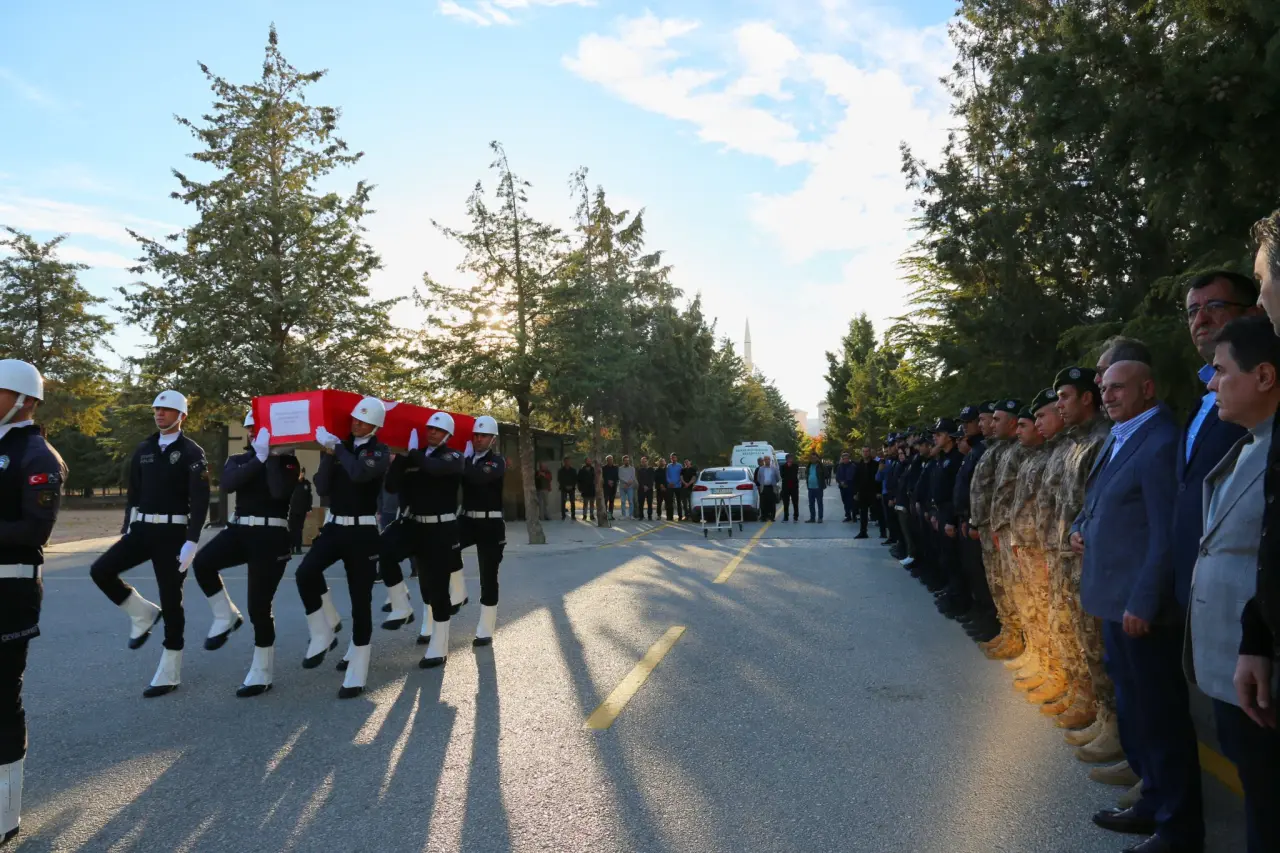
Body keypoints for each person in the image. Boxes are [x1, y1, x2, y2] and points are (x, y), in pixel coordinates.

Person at [1071, 359, 1202, 853]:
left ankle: (1178, 828)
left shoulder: (1161, 439)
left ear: (1147, 388)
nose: (1107, 395)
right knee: (1135, 711)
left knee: (1160, 719)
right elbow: (1098, 500)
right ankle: (1151, 802)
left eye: (1117, 388)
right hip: (1114, 601)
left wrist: (1145, 600)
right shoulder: (1123, 434)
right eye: (1104, 388)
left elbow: (1166, 532)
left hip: (1139, 608)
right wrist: (1079, 527)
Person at [1184, 316, 1280, 852]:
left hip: (1261, 665)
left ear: (1263, 376)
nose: (1211, 384)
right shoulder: (1249, 445)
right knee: (1258, 797)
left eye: (1221, 371)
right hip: (1233, 666)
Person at [90, 390, 210, 698]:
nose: (159, 413)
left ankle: (170, 668)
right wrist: (128, 525)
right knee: (101, 570)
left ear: (182, 416)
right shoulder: (144, 448)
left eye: (166, 410)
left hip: (174, 534)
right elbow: (134, 493)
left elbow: (200, 501)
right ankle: (141, 612)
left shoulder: (192, 452)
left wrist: (192, 541)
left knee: (171, 599)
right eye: (157, 409)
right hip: (142, 530)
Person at [0, 360, 66, 847]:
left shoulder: (38, 455)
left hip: (10, 589)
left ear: (24, 400)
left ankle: (5, 809)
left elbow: (34, 530)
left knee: (2, 698)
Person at [191, 410, 299, 697]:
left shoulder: (288, 461)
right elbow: (228, 485)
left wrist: (271, 457)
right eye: (250, 428)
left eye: (259, 428)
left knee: (259, 607)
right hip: (239, 531)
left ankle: (262, 672)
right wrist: (259, 458)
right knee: (203, 564)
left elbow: (278, 492)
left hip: (271, 537)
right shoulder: (239, 459)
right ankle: (225, 615)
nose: (253, 433)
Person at [294, 397, 391, 698]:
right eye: (355, 419)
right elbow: (322, 487)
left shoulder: (379, 451)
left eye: (364, 421)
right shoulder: (340, 447)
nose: (357, 423)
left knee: (360, 601)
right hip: (335, 526)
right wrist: (328, 454)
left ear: (375, 425)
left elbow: (360, 474)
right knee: (305, 573)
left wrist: (337, 449)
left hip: (363, 532)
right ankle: (323, 630)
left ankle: (357, 670)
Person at [1046, 367, 1115, 735]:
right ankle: (1090, 704)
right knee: (1080, 637)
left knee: (1097, 642)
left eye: (1065, 397)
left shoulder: (1102, 440)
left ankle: (1111, 721)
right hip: (1068, 556)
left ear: (1087, 398)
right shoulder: (1076, 442)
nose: (1059, 404)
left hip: (1088, 559)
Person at [387, 414, 464, 666]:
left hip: (441, 529)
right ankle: (401, 605)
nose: (431, 432)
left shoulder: (453, 456)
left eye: (438, 430)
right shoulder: (413, 455)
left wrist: (413, 454)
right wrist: (400, 459)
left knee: (436, 588)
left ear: (448, 435)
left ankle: (439, 646)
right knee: (383, 553)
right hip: (415, 526)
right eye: (429, 428)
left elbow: (434, 469)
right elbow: (391, 486)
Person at [1008, 394, 1067, 706]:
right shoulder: (1034, 456)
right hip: (1032, 543)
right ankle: (1041, 661)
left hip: (1051, 548)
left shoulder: (1057, 453)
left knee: (1054, 614)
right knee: (1035, 608)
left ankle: (1059, 674)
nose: (1019, 431)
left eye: (1034, 420)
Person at [975, 400, 1026, 661]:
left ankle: (1017, 638)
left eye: (997, 419)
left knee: (1012, 586)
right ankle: (1008, 632)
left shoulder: (1019, 449)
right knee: (999, 584)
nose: (991, 424)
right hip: (993, 525)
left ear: (1013, 422)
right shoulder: (999, 449)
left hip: (1008, 530)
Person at [458, 416, 505, 648]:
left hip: (490, 524)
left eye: (483, 436)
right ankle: (458, 591)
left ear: (492, 439)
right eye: (476, 435)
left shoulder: (496, 462)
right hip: (467, 520)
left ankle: (485, 628)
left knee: (488, 576)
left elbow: (479, 478)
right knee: (444, 547)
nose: (478, 439)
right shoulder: (466, 459)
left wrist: (464, 462)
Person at [928, 419, 966, 619]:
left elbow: (955, 492)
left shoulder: (957, 458)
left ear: (950, 437)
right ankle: (951, 591)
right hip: (941, 510)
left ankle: (959, 600)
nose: (935, 437)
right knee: (946, 556)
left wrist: (950, 519)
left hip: (950, 512)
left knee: (953, 557)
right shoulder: (943, 457)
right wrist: (935, 513)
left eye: (939, 434)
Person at [853, 446, 879, 539]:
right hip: (862, 492)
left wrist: (878, 491)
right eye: (864, 451)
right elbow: (856, 479)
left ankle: (883, 532)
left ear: (870, 452)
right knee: (863, 513)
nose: (865, 453)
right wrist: (855, 492)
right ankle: (863, 532)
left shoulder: (875, 464)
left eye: (867, 451)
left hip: (873, 491)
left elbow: (878, 479)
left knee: (878, 511)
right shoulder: (858, 465)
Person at [288, 466, 313, 555]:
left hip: (302, 510)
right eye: (300, 472)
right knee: (292, 529)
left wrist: (309, 509)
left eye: (303, 472)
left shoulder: (307, 483)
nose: (302, 474)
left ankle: (298, 548)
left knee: (299, 529)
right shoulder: (292, 482)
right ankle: (291, 548)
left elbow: (309, 497)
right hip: (292, 510)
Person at [805, 451, 827, 522]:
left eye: (814, 458)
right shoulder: (809, 466)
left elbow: (826, 474)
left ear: (817, 458)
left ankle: (820, 518)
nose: (813, 459)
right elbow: (807, 474)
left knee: (819, 503)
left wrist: (821, 464)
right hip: (810, 488)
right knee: (811, 504)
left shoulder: (820, 466)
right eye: (812, 458)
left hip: (818, 488)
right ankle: (812, 518)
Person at [835, 451, 856, 522]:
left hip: (850, 486)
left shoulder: (852, 466)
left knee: (852, 502)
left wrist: (846, 482)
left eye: (847, 458)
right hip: (842, 487)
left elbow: (853, 476)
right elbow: (837, 476)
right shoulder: (840, 467)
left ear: (849, 458)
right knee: (845, 502)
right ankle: (848, 515)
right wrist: (840, 482)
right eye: (844, 458)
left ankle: (854, 515)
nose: (845, 460)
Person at [779, 454, 800, 523]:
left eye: (791, 458)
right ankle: (786, 517)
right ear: (786, 459)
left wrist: (790, 467)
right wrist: (787, 467)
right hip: (786, 487)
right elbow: (782, 475)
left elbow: (794, 474)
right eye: (789, 458)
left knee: (795, 502)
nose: (790, 460)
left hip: (794, 487)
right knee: (785, 503)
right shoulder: (783, 467)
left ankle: (796, 517)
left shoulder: (795, 466)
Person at [756, 456, 779, 521]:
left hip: (772, 487)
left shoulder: (774, 468)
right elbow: (758, 478)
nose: (767, 461)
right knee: (763, 503)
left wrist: (773, 482)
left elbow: (777, 478)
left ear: (770, 460)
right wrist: (762, 483)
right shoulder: (761, 469)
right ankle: (764, 517)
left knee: (772, 503)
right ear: (764, 461)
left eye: (768, 459)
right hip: (764, 487)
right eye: (765, 459)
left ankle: (772, 517)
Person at [618, 456, 636, 521]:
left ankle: (631, 515)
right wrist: (626, 483)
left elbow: (633, 477)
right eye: (625, 460)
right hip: (622, 487)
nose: (627, 461)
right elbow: (620, 477)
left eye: (628, 460)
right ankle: (623, 515)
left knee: (630, 501)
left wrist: (628, 484)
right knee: (623, 501)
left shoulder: (632, 468)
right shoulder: (620, 468)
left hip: (630, 487)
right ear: (623, 461)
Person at [665, 453, 683, 521]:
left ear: (676, 458)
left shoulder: (680, 466)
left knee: (679, 502)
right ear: (670, 458)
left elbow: (681, 476)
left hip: (678, 486)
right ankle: (670, 516)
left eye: (674, 457)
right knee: (670, 502)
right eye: (672, 458)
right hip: (670, 486)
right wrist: (670, 482)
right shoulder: (668, 466)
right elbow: (667, 475)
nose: (673, 459)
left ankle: (680, 516)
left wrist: (675, 483)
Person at [636, 456, 654, 520]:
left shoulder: (651, 469)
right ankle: (641, 516)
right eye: (643, 462)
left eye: (645, 461)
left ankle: (649, 515)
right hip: (641, 489)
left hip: (649, 489)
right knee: (641, 503)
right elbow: (639, 479)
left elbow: (652, 479)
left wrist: (648, 486)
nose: (644, 463)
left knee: (649, 502)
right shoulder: (639, 470)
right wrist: (643, 486)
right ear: (641, 463)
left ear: (647, 462)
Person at [602, 455, 619, 521]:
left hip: (613, 487)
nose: (610, 461)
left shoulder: (615, 468)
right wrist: (607, 481)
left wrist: (613, 482)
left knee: (611, 502)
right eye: (609, 459)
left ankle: (610, 516)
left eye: (611, 459)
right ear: (607, 460)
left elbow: (617, 477)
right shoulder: (603, 468)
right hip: (606, 487)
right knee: (605, 501)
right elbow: (603, 477)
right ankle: (605, 515)